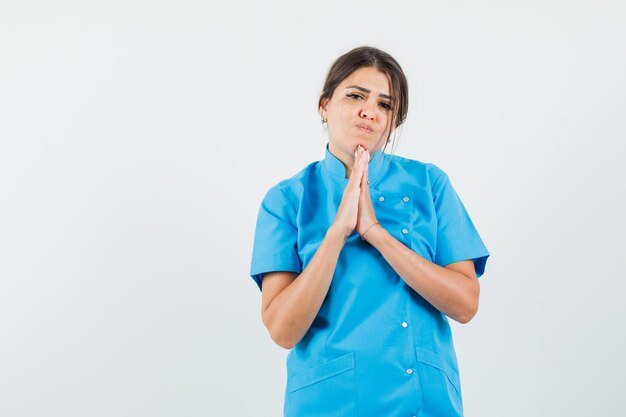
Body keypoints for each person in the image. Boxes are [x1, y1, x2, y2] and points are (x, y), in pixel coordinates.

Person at [249, 46, 490, 417]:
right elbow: (283, 330)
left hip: (423, 402)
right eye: (356, 96)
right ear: (324, 105)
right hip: (330, 404)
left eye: (385, 105)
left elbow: (465, 303)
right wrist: (338, 231)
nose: (369, 111)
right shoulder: (286, 200)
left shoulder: (429, 183)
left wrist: (375, 232)